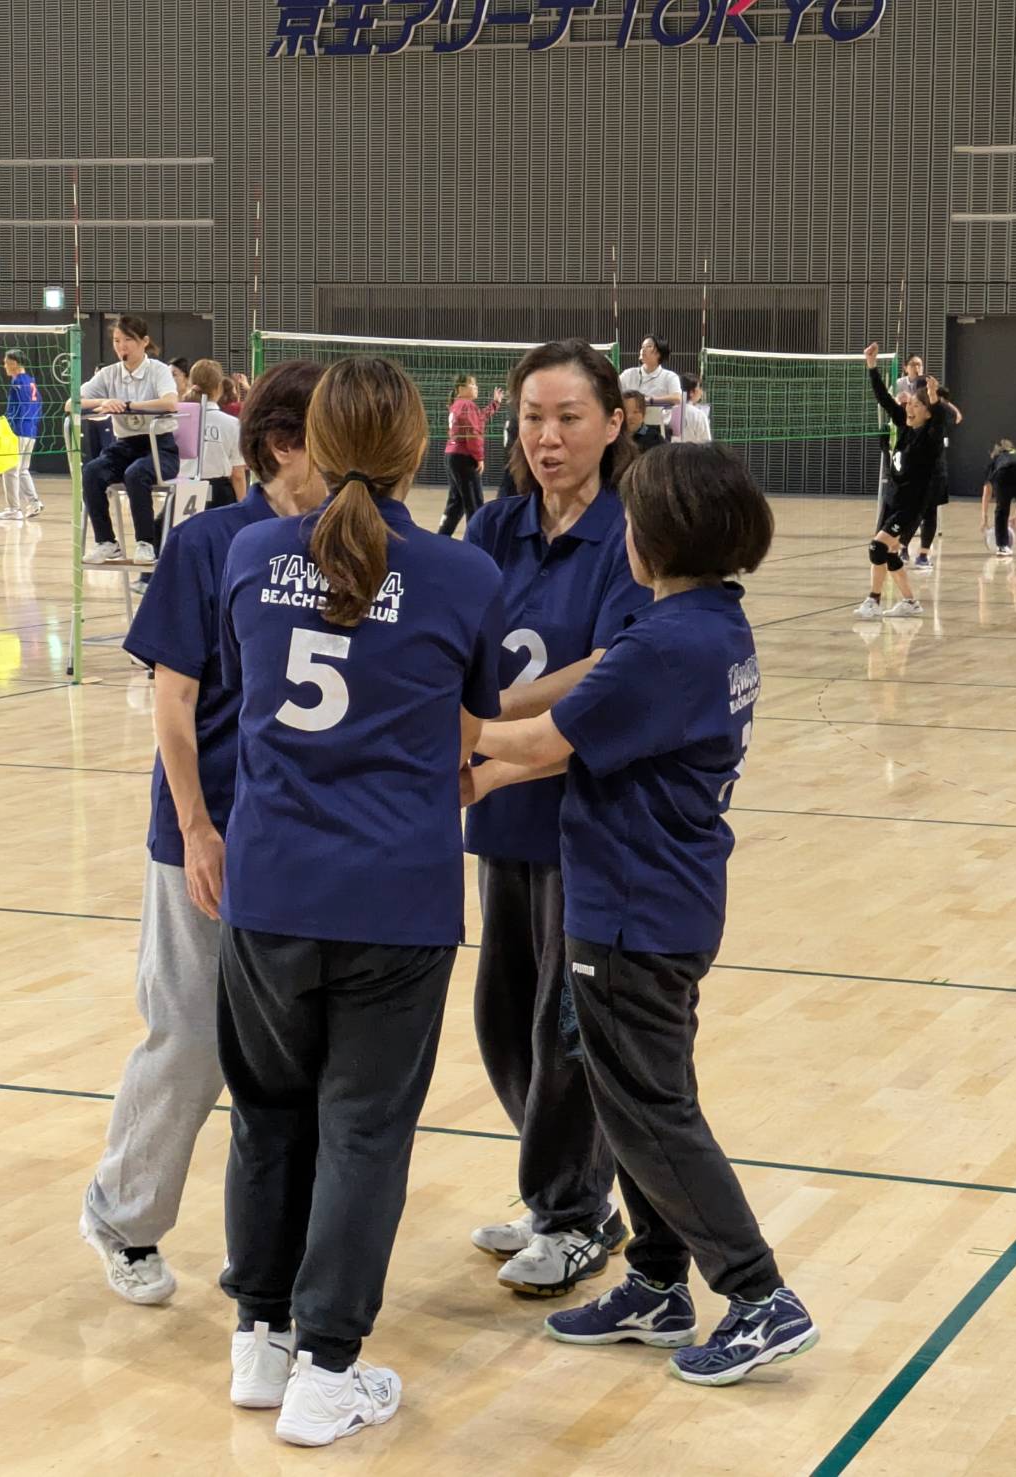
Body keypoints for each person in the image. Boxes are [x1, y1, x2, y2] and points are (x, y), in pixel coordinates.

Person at [466, 442, 818, 1387]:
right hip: (667, 898)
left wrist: (452, 729)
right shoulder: (709, 624)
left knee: (652, 1110)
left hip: (630, 910)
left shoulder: (661, 645)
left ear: (652, 539)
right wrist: (485, 774)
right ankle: (658, 1281)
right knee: (631, 1102)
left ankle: (759, 1294)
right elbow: (577, 743)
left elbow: (545, 736)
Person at [216, 356, 504, 1448]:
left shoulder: (250, 554)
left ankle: (260, 1339)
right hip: (395, 895)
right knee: (364, 1130)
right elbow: (469, 735)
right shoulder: (462, 575)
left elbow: (253, 688)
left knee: (266, 1113)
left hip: (270, 888)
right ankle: (327, 1369)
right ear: (418, 450)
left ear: (317, 444)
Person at [80, 360, 327, 1307]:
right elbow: (173, 699)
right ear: (284, 446)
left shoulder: (351, 545)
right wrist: (195, 825)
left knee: (294, 1053)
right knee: (188, 1032)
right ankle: (122, 1215)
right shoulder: (209, 544)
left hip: (307, 837)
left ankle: (276, 1247)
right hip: (209, 825)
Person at [463, 339, 650, 1296]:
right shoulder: (492, 527)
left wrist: (489, 720)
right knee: (502, 1018)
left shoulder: (630, 534)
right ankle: (567, 1193)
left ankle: (572, 1211)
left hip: (585, 817)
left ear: (613, 423)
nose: (547, 437)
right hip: (501, 811)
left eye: (569, 417)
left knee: (561, 1025)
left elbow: (611, 668)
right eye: (533, 417)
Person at [855, 341, 951, 620]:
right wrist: (872, 365)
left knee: (877, 547)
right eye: (911, 403)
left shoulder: (930, 439)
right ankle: (910, 602)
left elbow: (940, 421)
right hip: (893, 500)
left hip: (910, 506)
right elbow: (885, 399)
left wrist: (933, 398)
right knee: (890, 554)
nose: (910, 407)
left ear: (927, 412)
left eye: (917, 405)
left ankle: (873, 601)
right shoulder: (906, 426)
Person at [77, 314, 180, 565]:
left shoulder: (158, 370)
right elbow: (73, 402)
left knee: (136, 474)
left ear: (144, 341)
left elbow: (170, 402)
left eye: (128, 340)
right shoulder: (109, 374)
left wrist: (129, 405)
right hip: (124, 446)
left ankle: (145, 543)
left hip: (159, 447)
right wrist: (105, 401)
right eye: (116, 340)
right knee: (92, 471)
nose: (121, 346)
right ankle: (106, 542)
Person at [903, 386, 963, 571]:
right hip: (915, 474)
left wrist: (936, 399)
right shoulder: (914, 420)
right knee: (913, 513)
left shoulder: (939, 420)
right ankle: (903, 548)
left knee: (929, 513)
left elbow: (956, 416)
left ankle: (922, 555)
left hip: (934, 474)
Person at [439, 372, 504, 535]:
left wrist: (495, 403)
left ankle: (442, 535)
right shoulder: (467, 405)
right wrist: (479, 458)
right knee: (474, 502)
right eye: (473, 384)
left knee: (457, 502)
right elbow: (473, 433)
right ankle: (476, 541)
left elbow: (479, 418)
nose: (476, 387)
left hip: (452, 455)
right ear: (461, 388)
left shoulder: (457, 405)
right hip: (464, 458)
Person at [183, 359, 248, 506]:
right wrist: (243, 506)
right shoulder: (232, 424)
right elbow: (237, 474)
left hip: (184, 489)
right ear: (219, 387)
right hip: (220, 494)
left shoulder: (178, 419)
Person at [0, 348, 44, 520]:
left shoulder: (17, 382)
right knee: (23, 469)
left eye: (6, 362)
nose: (4, 366)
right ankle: (34, 503)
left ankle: (14, 509)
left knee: (10, 469)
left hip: (18, 430)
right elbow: (39, 405)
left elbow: (17, 409)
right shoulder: (31, 382)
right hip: (30, 431)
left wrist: (7, 425)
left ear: (14, 363)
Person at [618, 336, 682, 436]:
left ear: (659, 353)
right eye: (642, 347)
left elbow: (677, 398)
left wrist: (650, 400)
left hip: (657, 428)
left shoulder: (669, 376)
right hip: (629, 427)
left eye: (649, 346)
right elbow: (613, 392)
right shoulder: (628, 374)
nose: (643, 350)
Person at [679, 373, 713, 443]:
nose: (701, 392)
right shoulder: (699, 415)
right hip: (692, 450)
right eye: (699, 388)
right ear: (691, 392)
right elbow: (706, 443)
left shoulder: (667, 411)